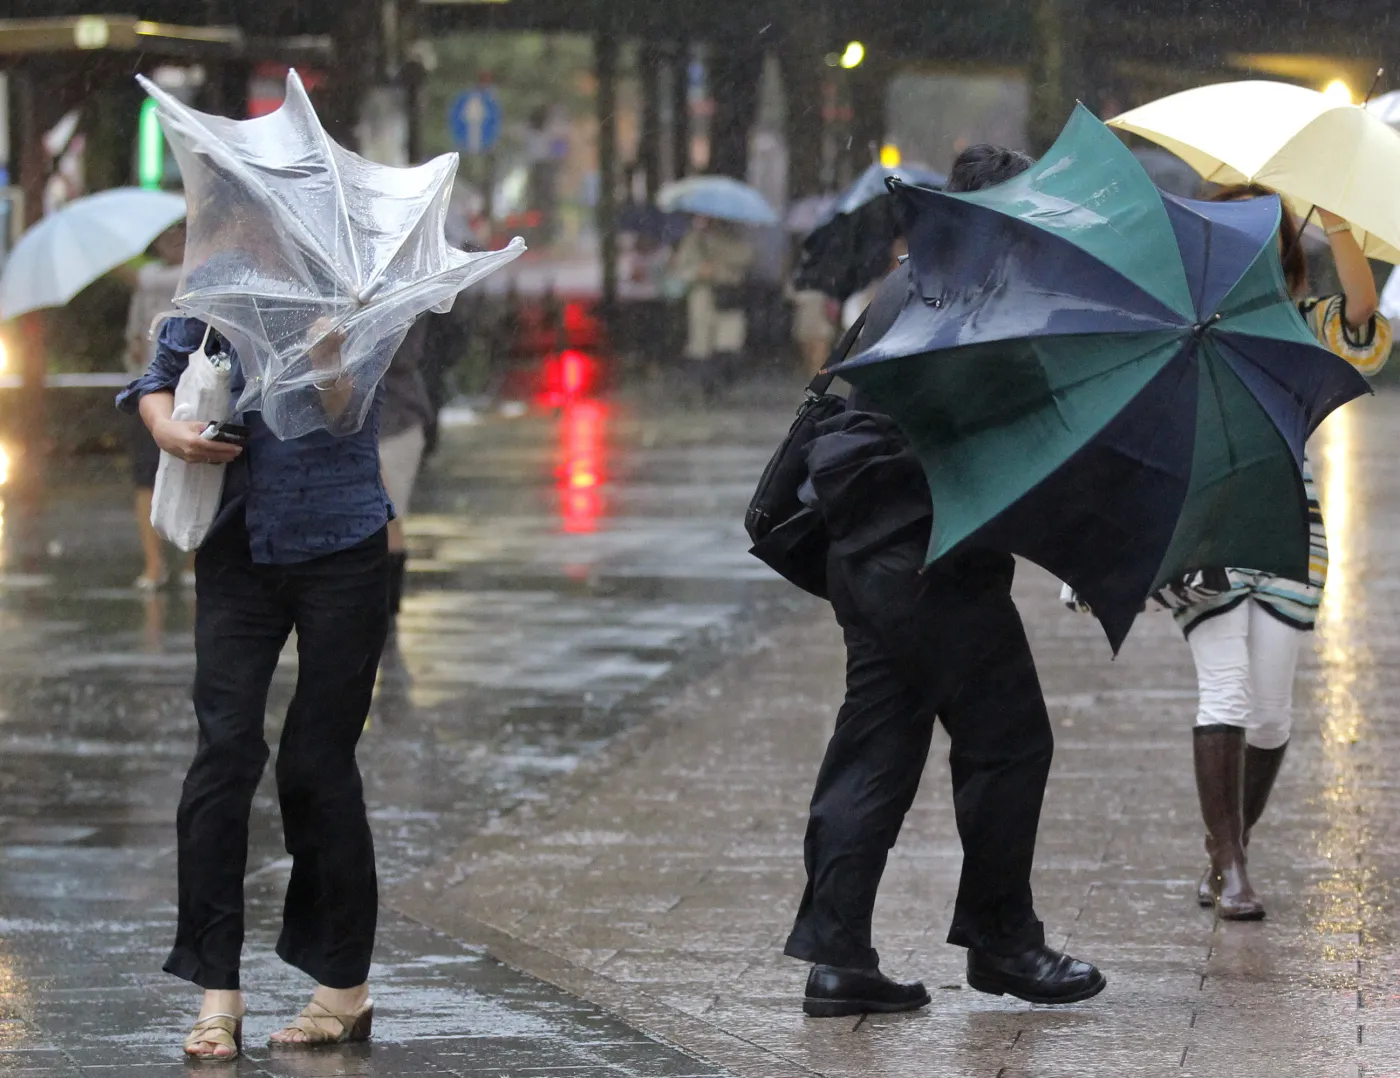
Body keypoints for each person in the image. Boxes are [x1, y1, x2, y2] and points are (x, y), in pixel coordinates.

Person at [784, 145, 1105, 1018]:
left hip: (865, 554)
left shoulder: (912, 281)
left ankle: (837, 956)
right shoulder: (984, 297)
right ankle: (1004, 941)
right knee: (1011, 740)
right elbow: (1004, 442)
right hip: (930, 561)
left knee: (875, 753)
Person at [118, 314, 394, 1059]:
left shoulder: (350, 284)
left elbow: (351, 412)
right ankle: (218, 996)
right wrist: (166, 430)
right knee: (223, 753)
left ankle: (343, 991)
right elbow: (155, 381)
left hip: (342, 546)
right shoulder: (219, 275)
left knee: (317, 764)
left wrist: (330, 358)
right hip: (235, 548)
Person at [1169, 185, 1391, 920]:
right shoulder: (1186, 327)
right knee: (1226, 692)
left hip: (1290, 532)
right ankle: (1232, 868)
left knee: (1270, 718)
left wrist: (1334, 216)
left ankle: (1228, 844)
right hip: (1205, 530)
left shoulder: (1297, 326)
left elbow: (1362, 316)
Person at [123, 223, 191, 590]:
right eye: (165, 236)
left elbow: (151, 282)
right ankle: (154, 564)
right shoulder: (147, 283)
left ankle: (194, 563)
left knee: (199, 474)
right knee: (145, 479)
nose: (172, 244)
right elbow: (134, 338)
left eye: (180, 235)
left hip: (195, 392)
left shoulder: (196, 275)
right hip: (152, 393)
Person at [380, 317, 435, 618]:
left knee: (388, 518)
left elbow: (403, 355)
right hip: (354, 425)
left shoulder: (402, 296)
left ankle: (388, 622)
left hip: (395, 423)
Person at [671, 215, 754, 399]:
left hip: (728, 295)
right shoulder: (693, 240)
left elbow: (746, 257)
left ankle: (723, 384)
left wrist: (719, 256)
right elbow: (681, 269)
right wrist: (698, 271)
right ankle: (705, 387)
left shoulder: (734, 238)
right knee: (701, 345)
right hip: (703, 295)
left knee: (729, 343)